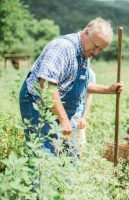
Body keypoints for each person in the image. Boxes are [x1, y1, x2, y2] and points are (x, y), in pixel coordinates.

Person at [19, 17, 123, 156]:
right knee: (43, 158)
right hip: (38, 105)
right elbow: (46, 86)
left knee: (69, 157)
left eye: (101, 49)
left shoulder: (85, 53)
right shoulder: (62, 48)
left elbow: (74, 85)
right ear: (86, 33)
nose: (96, 52)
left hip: (56, 108)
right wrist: (63, 120)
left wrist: (107, 90)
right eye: (96, 46)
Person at [71, 68, 96, 149]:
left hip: (77, 115)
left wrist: (84, 118)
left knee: (77, 146)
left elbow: (89, 96)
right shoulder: (71, 68)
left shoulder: (90, 73)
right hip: (63, 113)